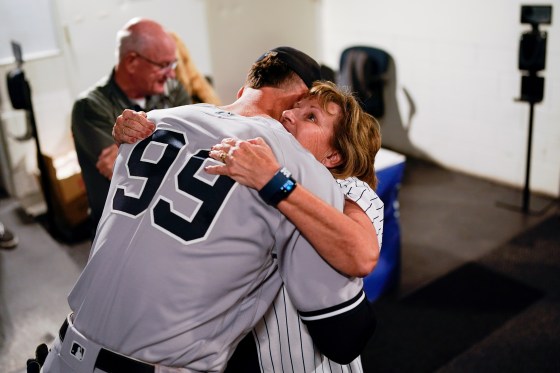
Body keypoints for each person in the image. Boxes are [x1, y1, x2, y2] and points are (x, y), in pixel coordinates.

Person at [41, 47, 376, 373]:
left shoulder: (152, 123)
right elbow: (345, 335)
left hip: (65, 350)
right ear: (291, 101)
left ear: (245, 89)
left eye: (312, 115)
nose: (292, 117)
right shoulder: (293, 167)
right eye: (301, 108)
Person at [115, 80, 384, 372]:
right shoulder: (252, 164)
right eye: (295, 108)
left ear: (333, 156)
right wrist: (135, 131)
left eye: (311, 117)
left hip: (306, 360)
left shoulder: (348, 188)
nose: (288, 115)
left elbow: (361, 253)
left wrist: (274, 182)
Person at [71, 17, 191, 232]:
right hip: (117, 227)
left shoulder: (173, 89)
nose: (171, 74)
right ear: (132, 62)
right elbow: (122, 172)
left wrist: (135, 153)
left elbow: (192, 152)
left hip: (163, 222)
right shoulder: (90, 107)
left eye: (173, 65)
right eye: (163, 65)